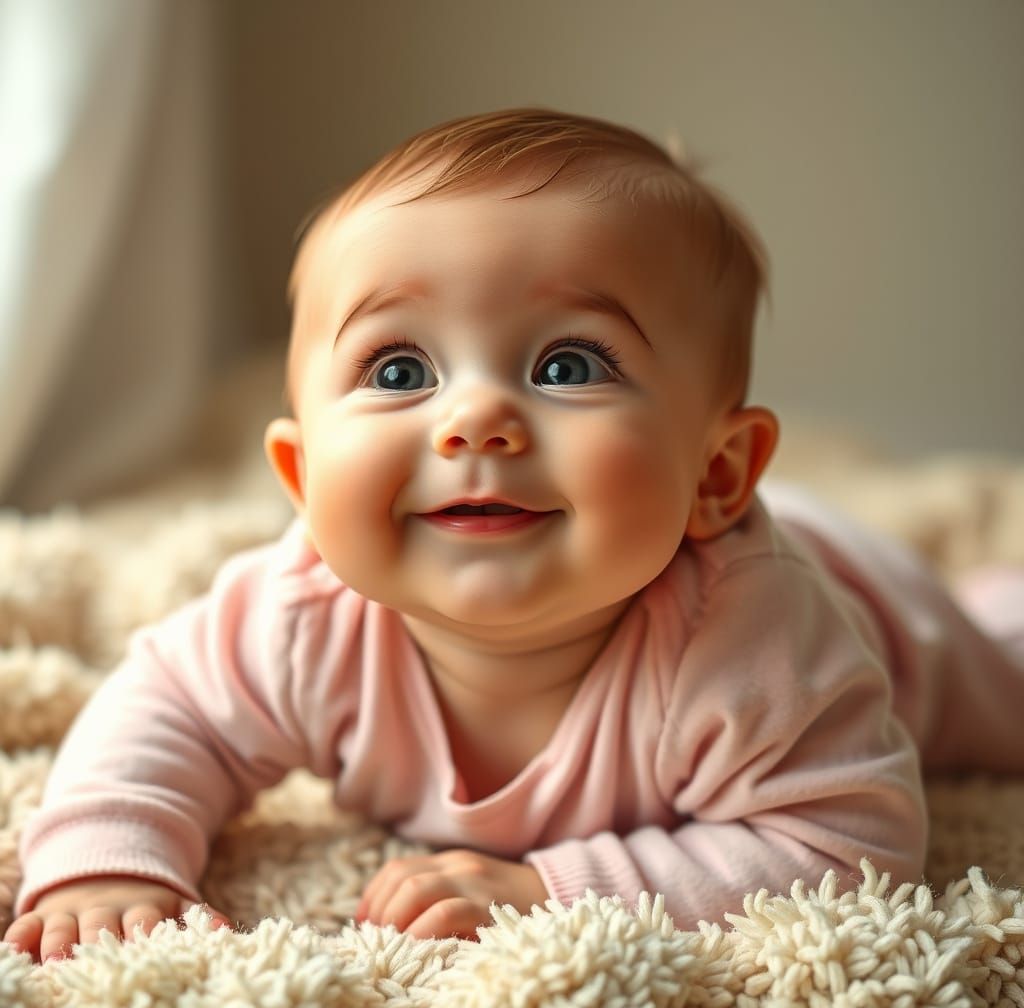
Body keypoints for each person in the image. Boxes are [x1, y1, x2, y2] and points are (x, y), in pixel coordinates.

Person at [5, 108, 1023, 964]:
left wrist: (552, 888)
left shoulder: (754, 645)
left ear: (716, 475)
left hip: (885, 614)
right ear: (302, 480)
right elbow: (167, 712)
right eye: (399, 371)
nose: (474, 420)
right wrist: (105, 861)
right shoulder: (303, 615)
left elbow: (846, 841)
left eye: (568, 365)